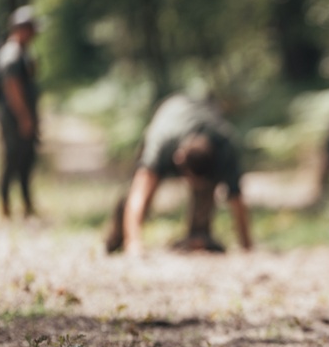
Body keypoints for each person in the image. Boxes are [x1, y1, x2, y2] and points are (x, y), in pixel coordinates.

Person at [105, 93, 253, 255]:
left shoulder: (224, 147)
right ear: (178, 160)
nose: (191, 185)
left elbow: (236, 200)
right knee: (143, 189)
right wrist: (134, 244)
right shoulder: (162, 144)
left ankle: (198, 234)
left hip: (201, 122)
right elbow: (139, 195)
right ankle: (121, 237)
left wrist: (246, 245)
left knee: (204, 194)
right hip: (169, 114)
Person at [0, 6, 41, 218]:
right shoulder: (11, 53)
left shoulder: (21, 52)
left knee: (26, 160)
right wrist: (24, 117)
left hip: (20, 116)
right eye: (30, 29)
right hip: (14, 117)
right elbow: (11, 87)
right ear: (21, 29)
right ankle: (5, 204)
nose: (33, 35)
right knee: (13, 159)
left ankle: (26, 205)